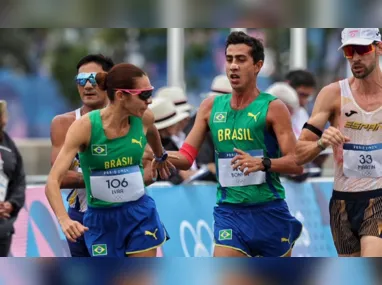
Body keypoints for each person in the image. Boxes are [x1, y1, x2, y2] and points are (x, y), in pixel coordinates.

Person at [155, 31, 303, 257]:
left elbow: (296, 163)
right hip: (229, 212)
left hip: (269, 212)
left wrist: (262, 163)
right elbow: (185, 159)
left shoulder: (274, 107)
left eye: (241, 59)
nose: (233, 66)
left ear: (258, 65)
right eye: (229, 59)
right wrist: (158, 153)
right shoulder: (209, 107)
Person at [46, 63, 174, 257]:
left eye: (150, 92)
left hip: (139, 213)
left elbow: (153, 133)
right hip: (101, 219)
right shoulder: (85, 127)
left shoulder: (144, 118)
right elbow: (53, 181)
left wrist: (160, 155)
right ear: (121, 95)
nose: (149, 101)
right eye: (144, 94)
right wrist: (64, 219)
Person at [295, 28, 382, 257]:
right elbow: (298, 154)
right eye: (349, 51)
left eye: (362, 49)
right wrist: (321, 143)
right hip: (342, 201)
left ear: (379, 48)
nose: (355, 57)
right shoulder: (332, 94)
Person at [49, 54, 114, 257]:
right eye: (81, 80)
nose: (87, 86)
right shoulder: (63, 123)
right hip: (80, 216)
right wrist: (109, 175)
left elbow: (146, 172)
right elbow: (60, 178)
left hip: (120, 212)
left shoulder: (130, 120)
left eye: (94, 79)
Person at [0, 100, 26, 256]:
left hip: (3, 229)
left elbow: (19, 181)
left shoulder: (9, 146)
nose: (6, 118)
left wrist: (11, 204)